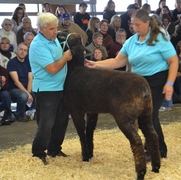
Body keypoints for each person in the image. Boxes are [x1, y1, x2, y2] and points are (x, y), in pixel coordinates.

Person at [85, 9, 178, 160]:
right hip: (138, 82)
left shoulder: (159, 38)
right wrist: (96, 65)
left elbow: (173, 61)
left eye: (138, 24)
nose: (134, 27)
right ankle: (155, 146)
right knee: (142, 116)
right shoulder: (131, 41)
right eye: (132, 24)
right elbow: (117, 61)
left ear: (147, 23)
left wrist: (169, 83)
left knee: (149, 116)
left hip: (157, 80)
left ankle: (159, 150)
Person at [29, 12, 72, 165]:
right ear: (41, 29)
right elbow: (53, 68)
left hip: (60, 87)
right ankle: (38, 151)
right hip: (46, 90)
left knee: (61, 121)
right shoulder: (38, 45)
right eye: (52, 29)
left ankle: (54, 149)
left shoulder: (51, 38)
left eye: (56, 27)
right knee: (46, 123)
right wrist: (66, 57)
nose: (56, 31)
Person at [7, 42, 35, 122]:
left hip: (26, 87)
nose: (23, 52)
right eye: (21, 49)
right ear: (17, 50)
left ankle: (32, 112)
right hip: (13, 89)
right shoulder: (12, 63)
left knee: (37, 92)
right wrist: (27, 94)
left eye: (25, 50)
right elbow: (16, 82)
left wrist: (29, 92)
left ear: (27, 52)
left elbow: (30, 78)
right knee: (23, 96)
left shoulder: (29, 62)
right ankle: (20, 115)